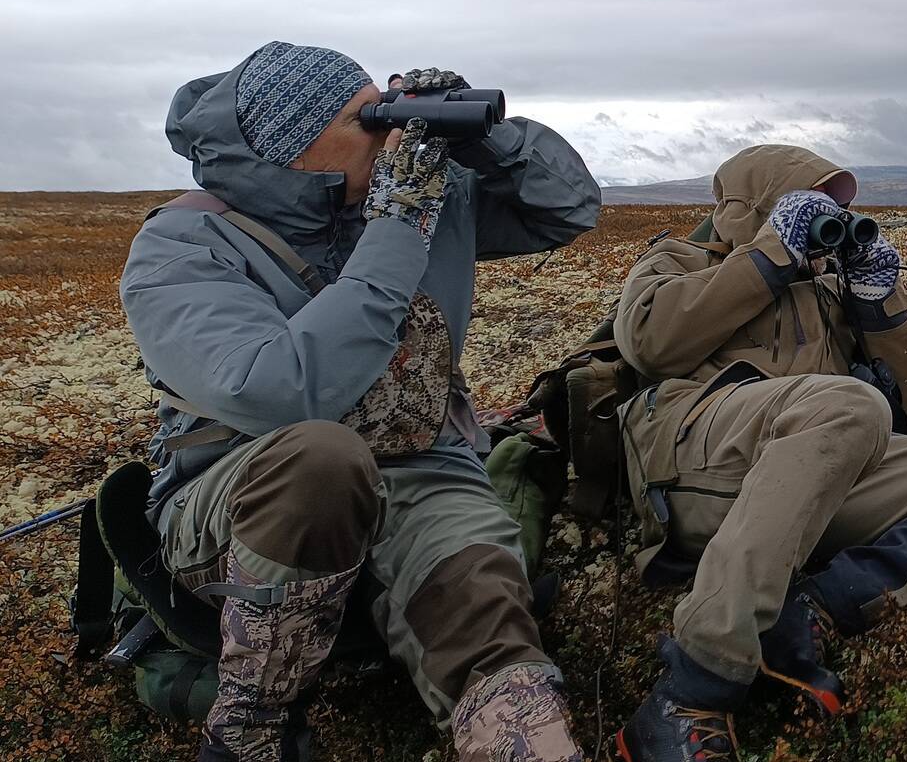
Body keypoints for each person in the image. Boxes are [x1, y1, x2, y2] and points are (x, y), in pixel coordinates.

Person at [119, 42, 600, 761]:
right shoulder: (183, 247)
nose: (394, 133)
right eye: (369, 119)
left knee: (486, 610)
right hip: (245, 494)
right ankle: (253, 728)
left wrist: (490, 140)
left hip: (421, 466)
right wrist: (398, 228)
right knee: (322, 458)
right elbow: (283, 391)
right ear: (296, 145)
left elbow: (567, 208)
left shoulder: (411, 192)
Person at [608, 144, 907, 761]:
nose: (830, 218)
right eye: (812, 203)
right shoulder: (679, 259)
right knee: (850, 405)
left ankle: (814, 607)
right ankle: (691, 687)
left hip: (811, 485)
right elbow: (650, 345)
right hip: (699, 473)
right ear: (755, 205)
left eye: (837, 207)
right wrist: (769, 256)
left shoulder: (829, 291)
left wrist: (880, 306)